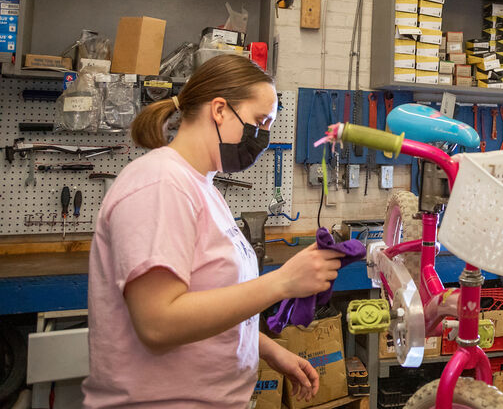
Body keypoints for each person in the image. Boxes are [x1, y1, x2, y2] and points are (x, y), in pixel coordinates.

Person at [83, 54, 345, 408]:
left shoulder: (201, 186)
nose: (263, 137)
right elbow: (158, 323)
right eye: (259, 121)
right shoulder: (161, 184)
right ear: (219, 110)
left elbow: (207, 298)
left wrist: (265, 348)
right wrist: (283, 282)